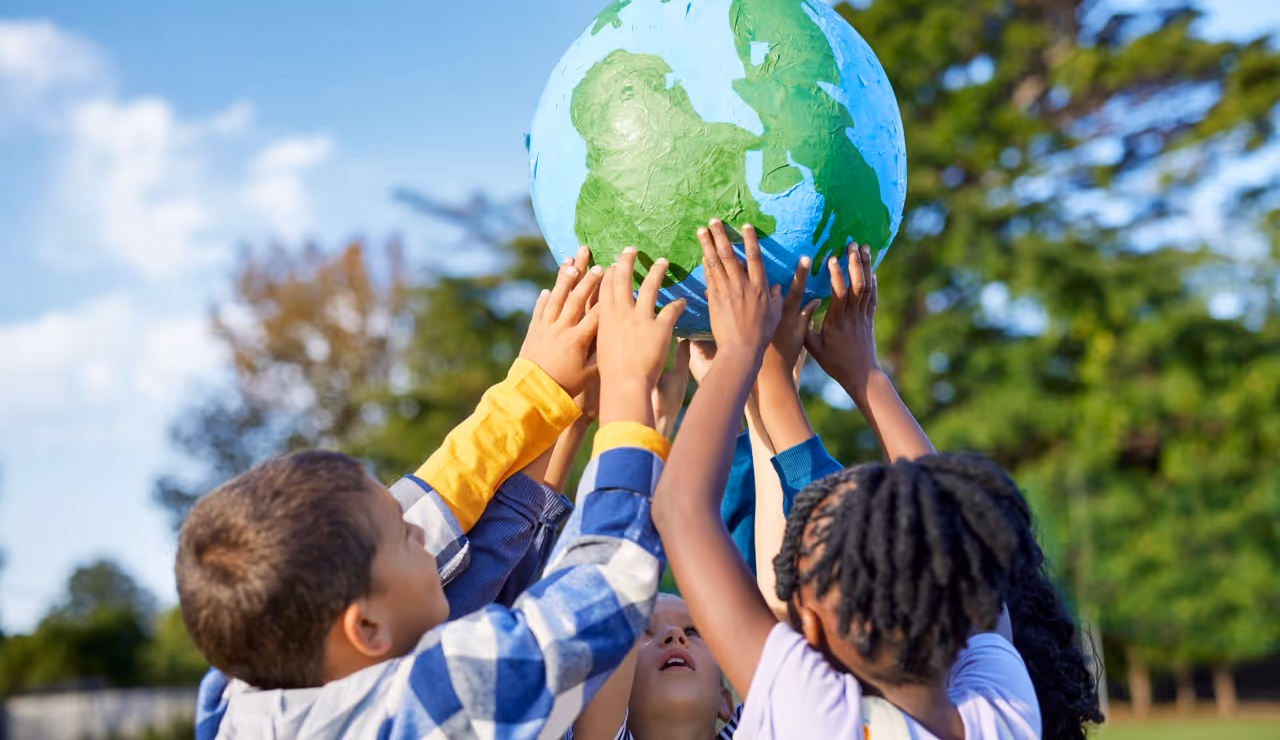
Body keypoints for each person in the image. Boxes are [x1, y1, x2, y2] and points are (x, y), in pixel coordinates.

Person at [179, 249, 684, 738]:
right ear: (367, 628)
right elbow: (597, 599)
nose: (425, 531)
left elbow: (435, 552)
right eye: (405, 536)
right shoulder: (436, 707)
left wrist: (536, 393)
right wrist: (627, 394)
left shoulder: (244, 689)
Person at [652, 219, 1041, 740]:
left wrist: (753, 358)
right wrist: (843, 376)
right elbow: (682, 510)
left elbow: (681, 510)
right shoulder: (1003, 712)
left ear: (808, 627)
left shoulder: (815, 714)